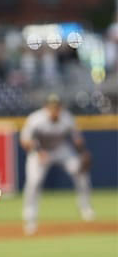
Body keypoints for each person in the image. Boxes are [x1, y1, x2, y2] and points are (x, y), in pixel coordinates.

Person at [19, 94, 94, 235]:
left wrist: (83, 152)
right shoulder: (36, 119)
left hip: (61, 149)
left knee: (80, 171)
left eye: (57, 106)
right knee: (33, 182)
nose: (55, 109)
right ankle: (30, 217)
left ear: (61, 107)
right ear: (46, 107)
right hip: (39, 149)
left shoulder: (67, 118)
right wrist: (39, 152)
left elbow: (77, 139)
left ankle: (85, 207)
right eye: (52, 106)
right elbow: (25, 141)